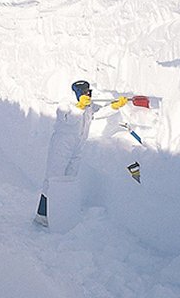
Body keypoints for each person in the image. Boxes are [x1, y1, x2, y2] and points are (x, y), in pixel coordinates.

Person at [34, 80, 127, 227]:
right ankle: (43, 214)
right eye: (83, 92)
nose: (87, 94)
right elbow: (68, 120)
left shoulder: (88, 105)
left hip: (78, 144)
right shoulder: (65, 104)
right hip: (62, 143)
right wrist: (79, 107)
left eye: (87, 91)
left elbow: (99, 112)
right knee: (54, 177)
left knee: (70, 177)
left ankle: (61, 210)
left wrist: (114, 106)